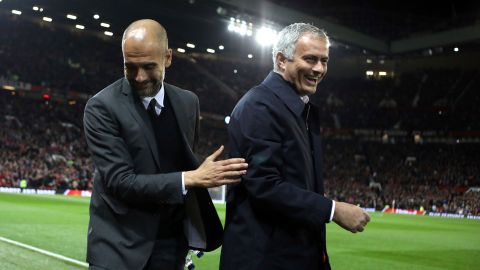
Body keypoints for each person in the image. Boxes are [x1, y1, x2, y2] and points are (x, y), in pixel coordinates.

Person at [83, 19, 248, 270]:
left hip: (171, 245)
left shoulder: (188, 103)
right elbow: (120, 181)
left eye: (149, 66)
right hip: (119, 247)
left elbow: (182, 156)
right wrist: (190, 178)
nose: (139, 77)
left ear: (168, 57)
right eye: (130, 67)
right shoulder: (102, 107)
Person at [220, 23, 370, 270]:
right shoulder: (260, 107)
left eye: (324, 60)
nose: (319, 69)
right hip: (265, 259)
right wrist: (333, 210)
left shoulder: (298, 108)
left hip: (295, 255)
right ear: (281, 60)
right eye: (310, 59)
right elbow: (264, 185)